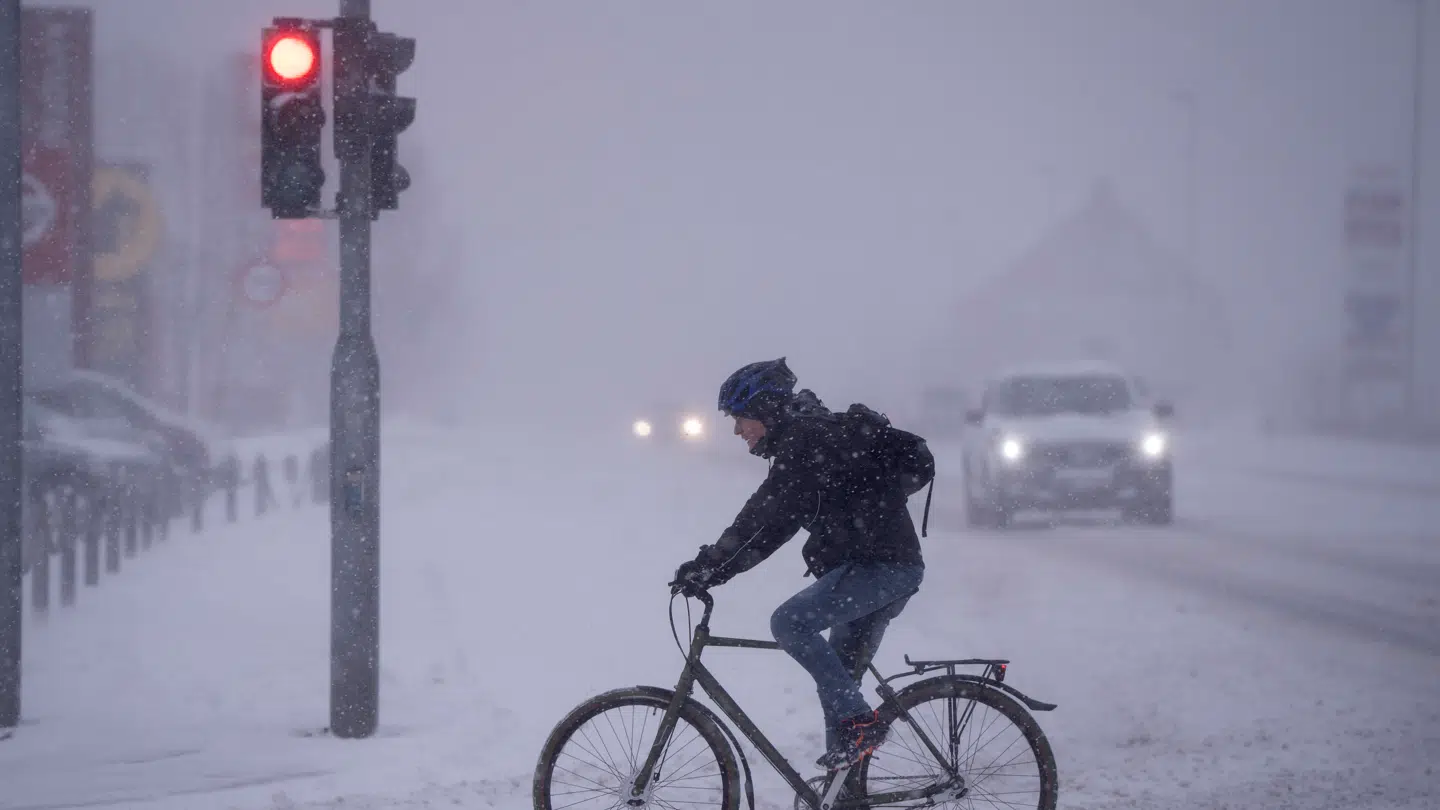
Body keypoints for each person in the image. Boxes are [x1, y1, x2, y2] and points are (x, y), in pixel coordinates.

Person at [671, 357, 928, 771]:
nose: (737, 431)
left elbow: (765, 520)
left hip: (883, 571)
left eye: (739, 420)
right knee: (839, 686)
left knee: (790, 623)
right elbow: (770, 524)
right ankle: (843, 790)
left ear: (764, 411)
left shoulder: (806, 441)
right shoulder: (807, 440)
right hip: (880, 569)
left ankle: (861, 725)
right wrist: (714, 567)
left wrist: (710, 567)